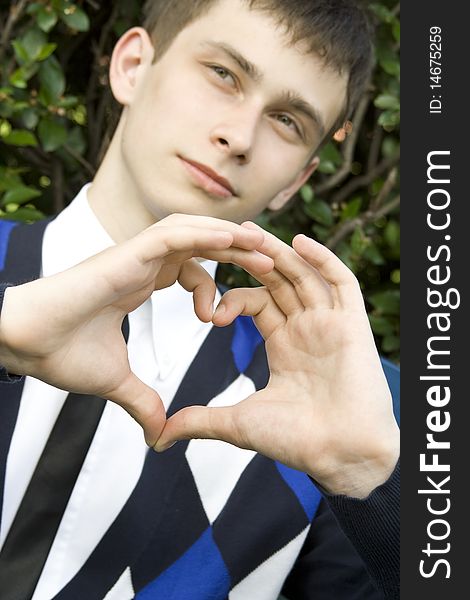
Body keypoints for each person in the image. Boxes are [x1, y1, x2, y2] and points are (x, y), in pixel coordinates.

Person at [0, 1, 400, 598]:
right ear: (134, 65)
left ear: (297, 179)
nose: (238, 137)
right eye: (223, 74)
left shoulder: (345, 402)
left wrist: (374, 488)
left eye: (288, 120)